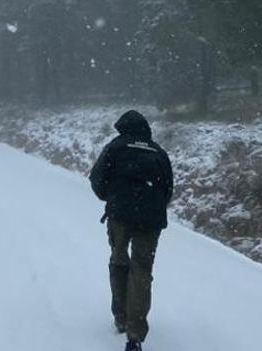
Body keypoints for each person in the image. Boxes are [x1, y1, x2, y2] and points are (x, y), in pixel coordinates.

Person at [90, 110, 174, 351]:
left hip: (120, 215)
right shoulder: (158, 151)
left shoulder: (115, 147)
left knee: (119, 260)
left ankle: (121, 317)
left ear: (123, 128)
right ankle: (135, 335)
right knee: (142, 270)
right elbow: (168, 188)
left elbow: (97, 180)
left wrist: (112, 198)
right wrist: (152, 205)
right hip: (151, 219)